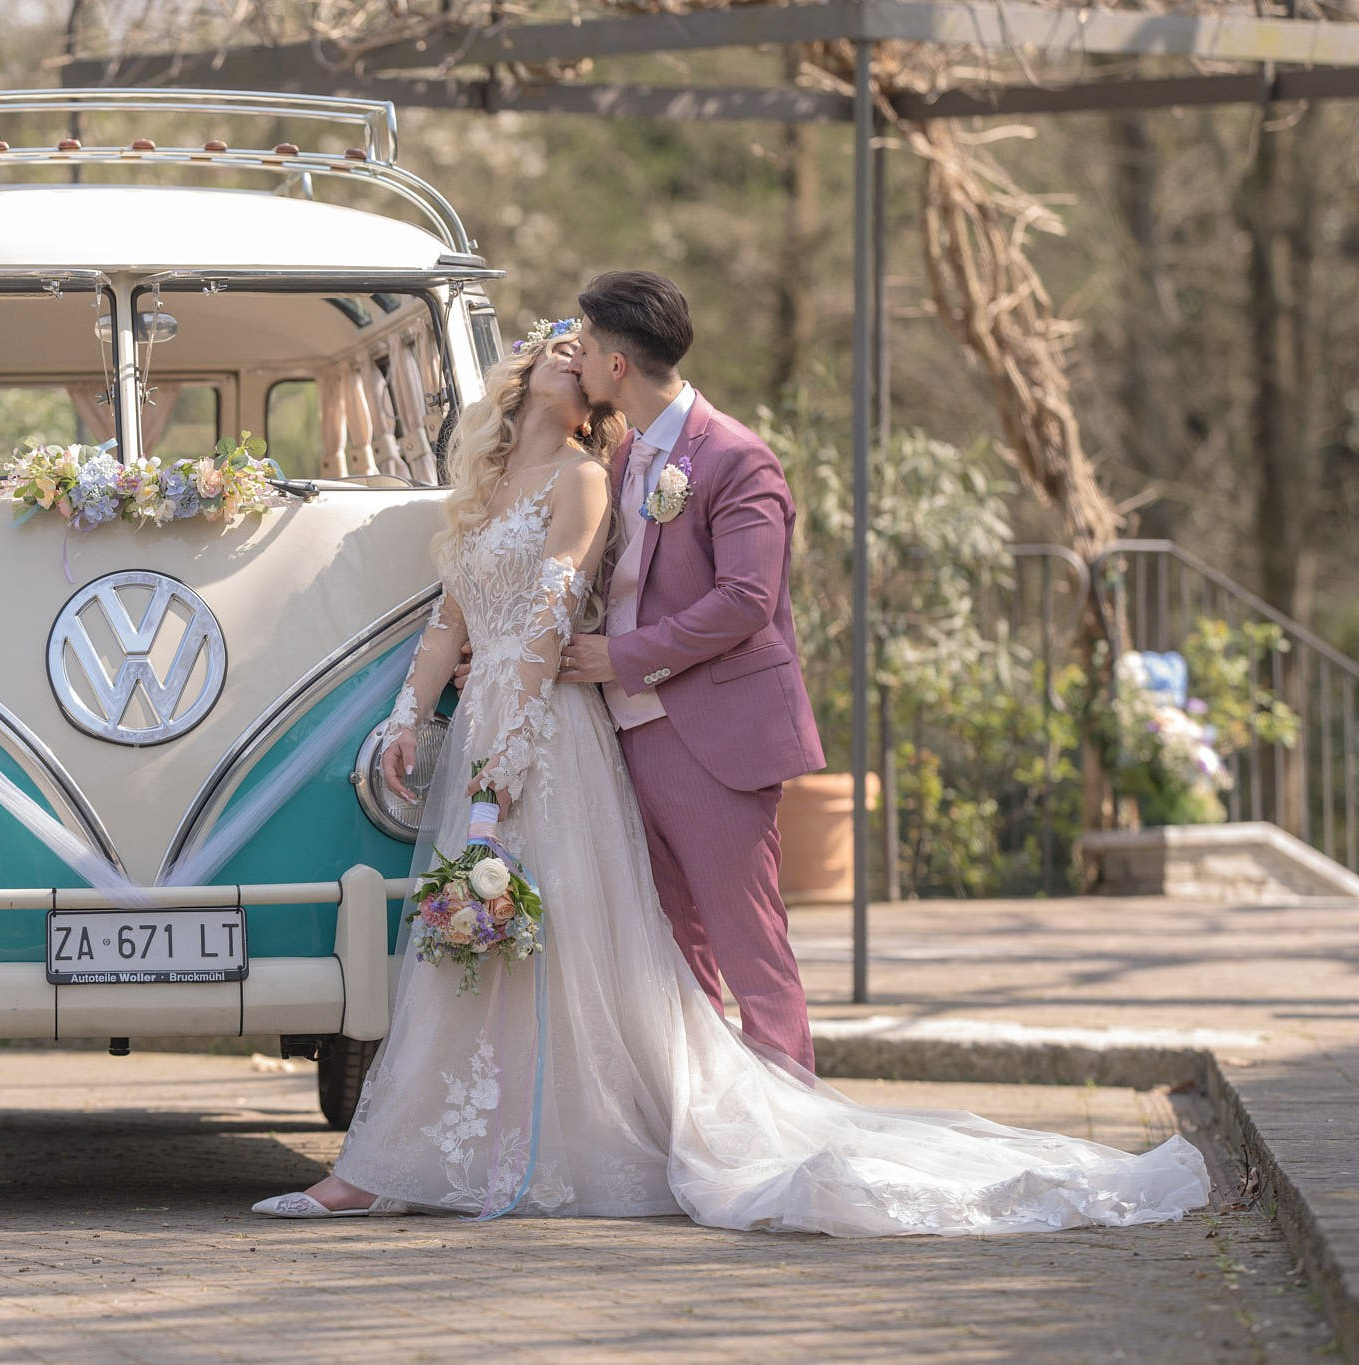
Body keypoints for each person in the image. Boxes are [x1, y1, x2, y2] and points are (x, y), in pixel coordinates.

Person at [250, 312, 1210, 1234]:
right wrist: (410, 717)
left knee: (601, 934)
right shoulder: (500, 486)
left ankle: (734, 1122)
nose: (562, 353)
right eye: (548, 347)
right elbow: (452, 619)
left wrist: (507, 757)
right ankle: (416, 1157)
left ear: (604, 379)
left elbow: (579, 616)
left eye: (575, 346)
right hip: (506, 723)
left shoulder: (598, 475)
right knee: (493, 942)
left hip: (549, 728)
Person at [557, 270, 823, 1073]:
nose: (574, 360)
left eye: (585, 345)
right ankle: (712, 1124)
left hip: (715, 736)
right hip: (630, 735)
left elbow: (747, 598)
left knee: (749, 944)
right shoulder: (625, 452)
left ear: (615, 367)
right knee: (676, 951)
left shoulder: (737, 457)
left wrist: (622, 656)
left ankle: (792, 1131)